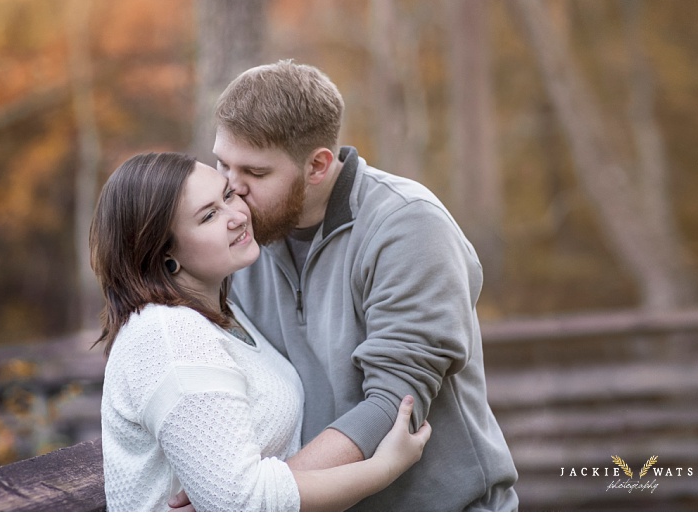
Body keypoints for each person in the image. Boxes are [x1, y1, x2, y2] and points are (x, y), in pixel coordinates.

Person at [200, 60, 519, 511]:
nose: (232, 189)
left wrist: (252, 499)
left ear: (317, 165)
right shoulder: (239, 239)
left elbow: (394, 404)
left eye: (255, 173)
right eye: (222, 164)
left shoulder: (408, 227)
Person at [91, 151, 431, 512]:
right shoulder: (168, 335)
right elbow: (242, 503)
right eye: (208, 216)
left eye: (228, 195)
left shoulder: (220, 312)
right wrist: (382, 468)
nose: (237, 216)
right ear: (161, 254)